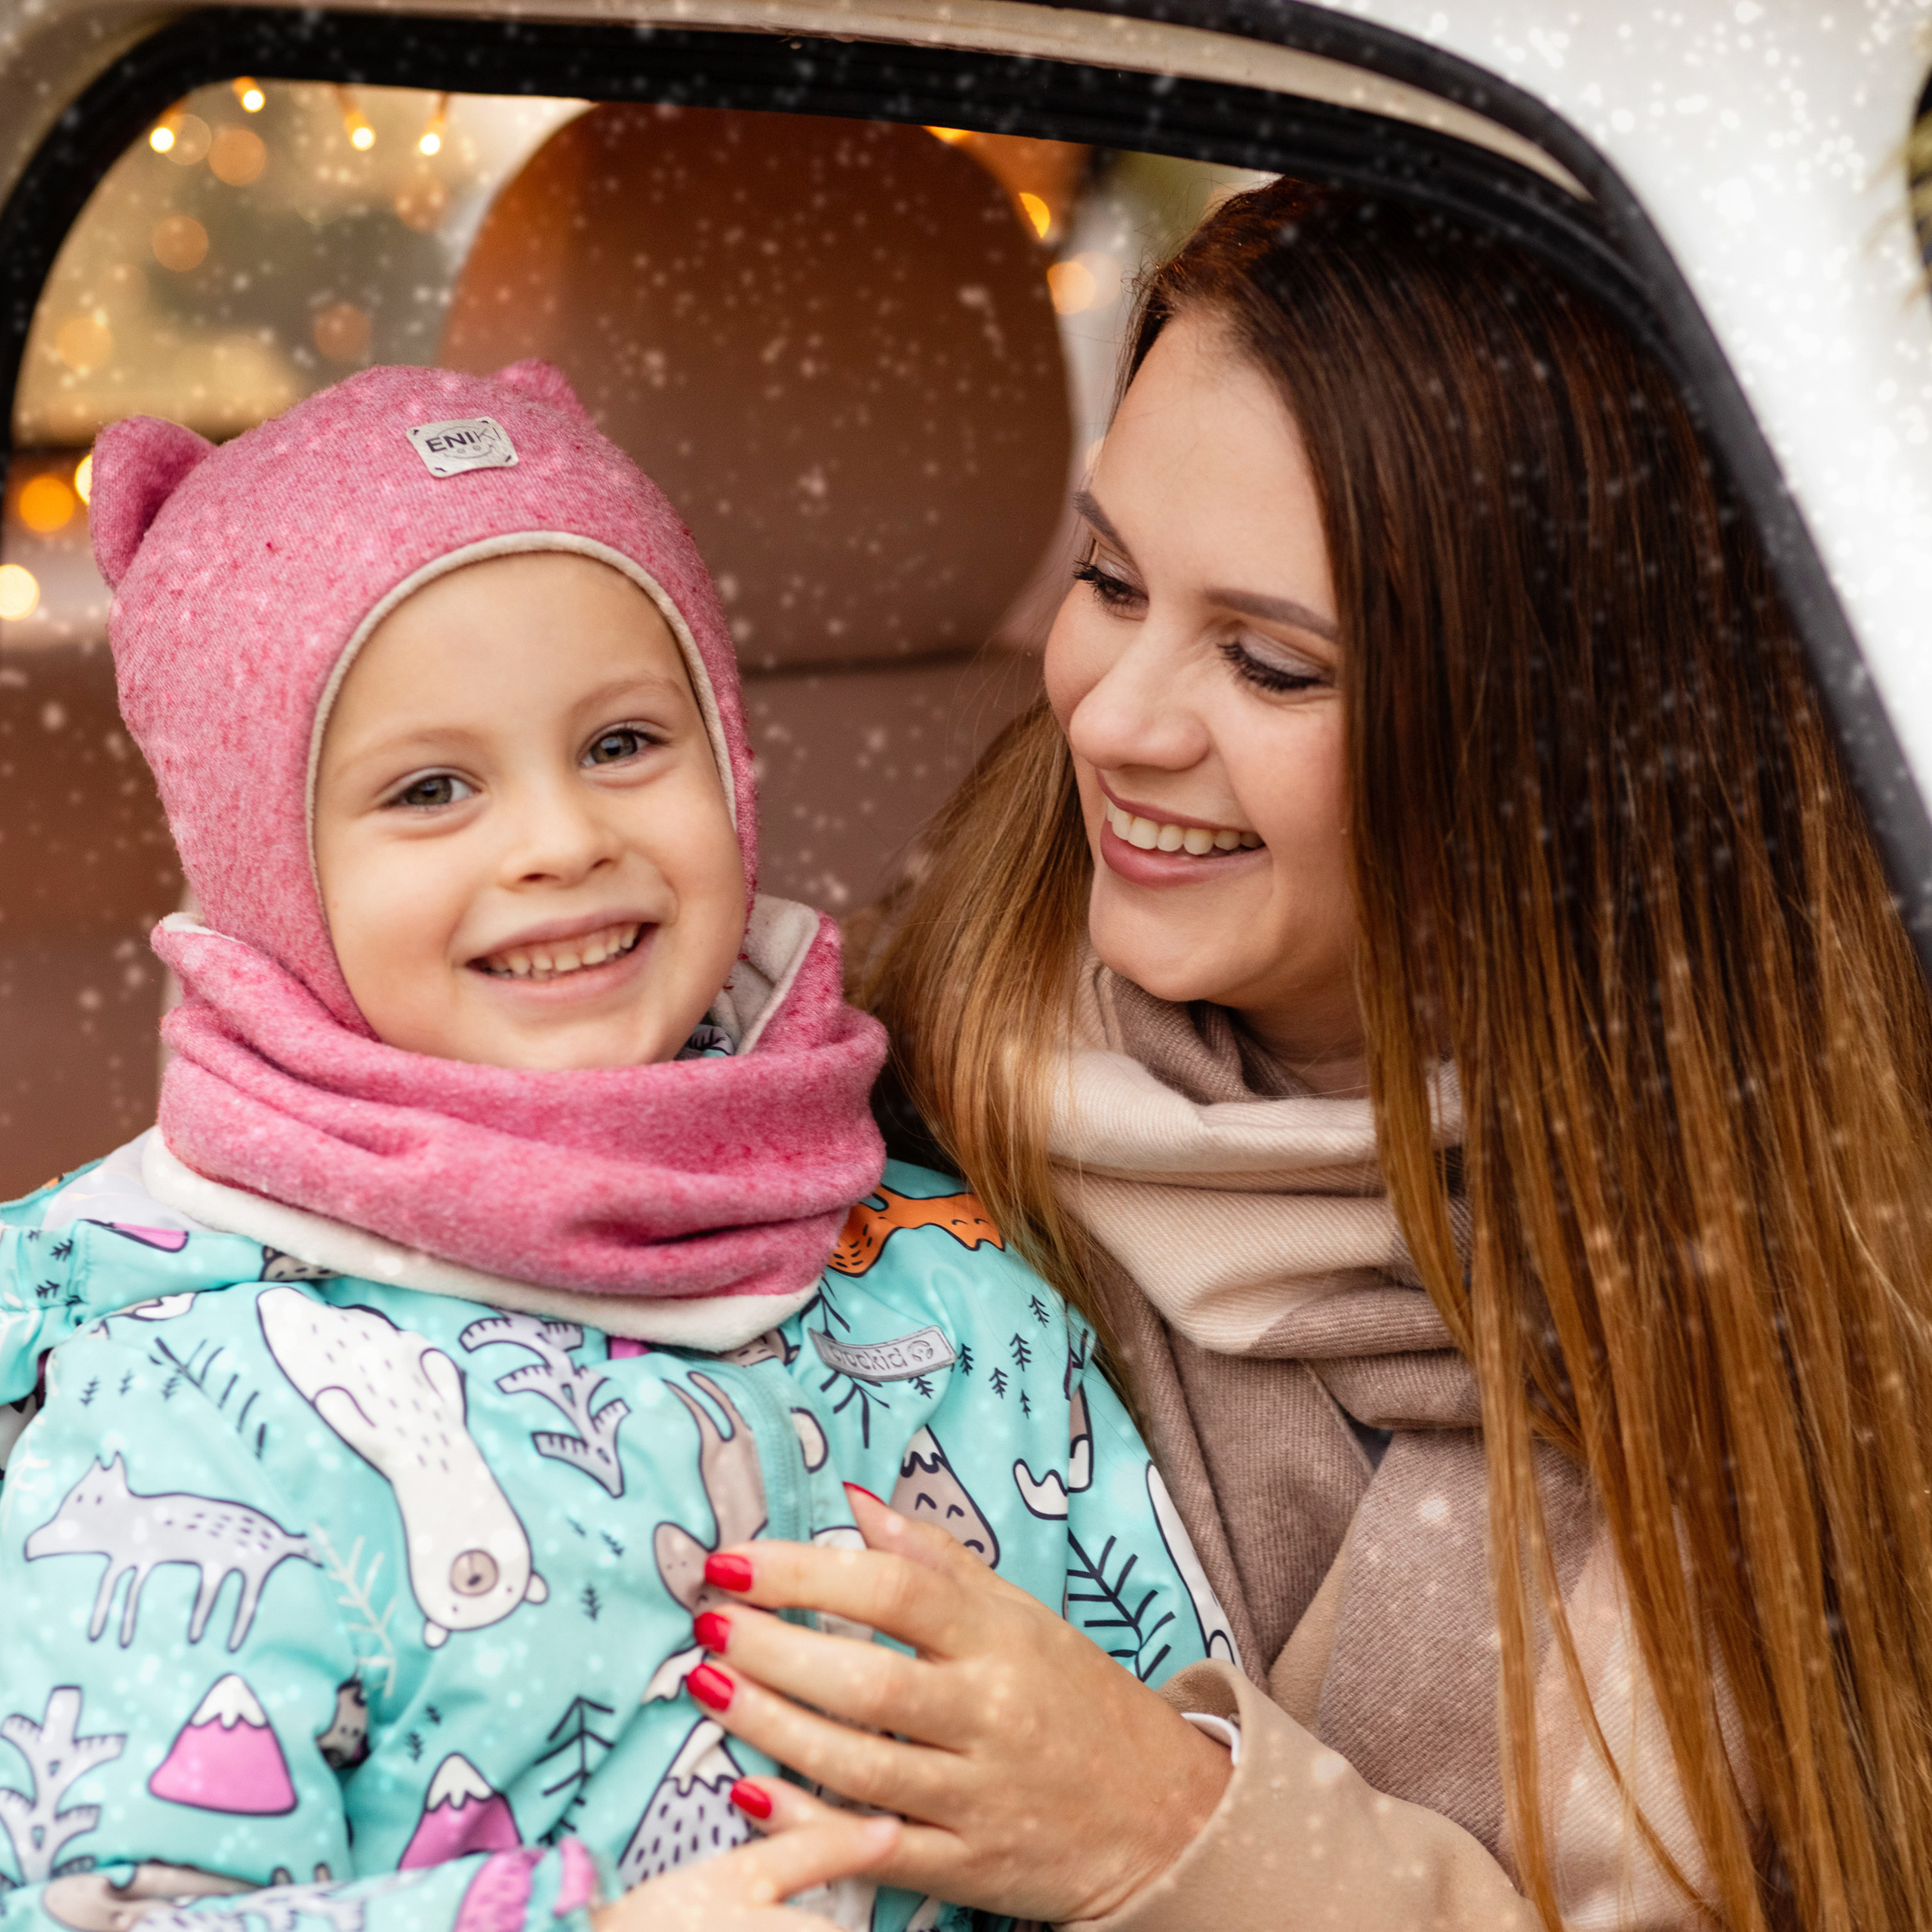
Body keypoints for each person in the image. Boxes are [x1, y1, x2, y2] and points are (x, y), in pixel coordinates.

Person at [670, 180, 1932, 1932]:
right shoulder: (847, 1119)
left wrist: (1173, 1831)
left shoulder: (1820, 1279)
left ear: (1558, 745)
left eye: (1269, 663)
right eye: (1104, 577)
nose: (1110, 716)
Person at [0, 361, 1227, 1932]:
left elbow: (1151, 1758)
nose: (561, 839)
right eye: (430, 787)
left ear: (729, 761)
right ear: (269, 869)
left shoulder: (947, 1276)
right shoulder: (194, 1391)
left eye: (624, 743)